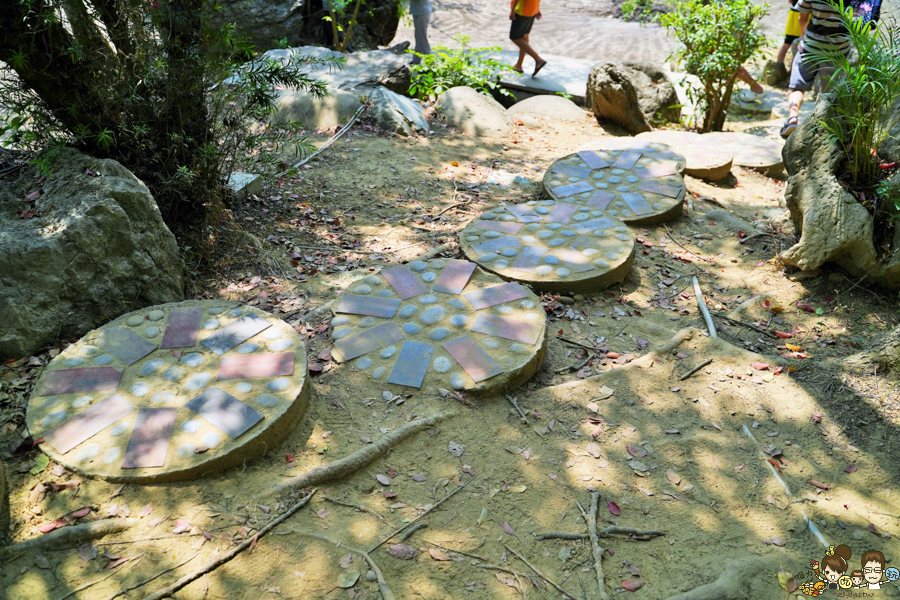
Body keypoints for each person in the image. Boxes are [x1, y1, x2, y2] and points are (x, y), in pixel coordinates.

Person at [780, 0, 852, 138]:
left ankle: (793, 118)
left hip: (811, 47)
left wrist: (804, 34)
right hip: (836, 51)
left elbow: (802, 17)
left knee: (796, 87)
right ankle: (820, 125)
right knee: (827, 93)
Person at [509, 0, 547, 77]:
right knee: (524, 36)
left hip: (522, 10)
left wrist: (512, 10)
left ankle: (538, 59)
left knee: (514, 37)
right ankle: (518, 65)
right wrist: (537, 9)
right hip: (532, 9)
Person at [410, 0, 433, 65]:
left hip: (421, 12)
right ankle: (415, 61)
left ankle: (431, 64)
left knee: (422, 39)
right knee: (418, 37)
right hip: (418, 11)